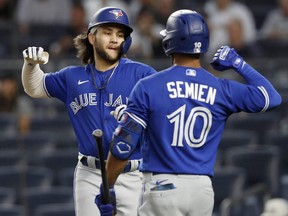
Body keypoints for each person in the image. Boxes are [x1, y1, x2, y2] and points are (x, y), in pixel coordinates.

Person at [95, 10, 282, 216]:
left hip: (162, 187)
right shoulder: (222, 88)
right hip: (202, 191)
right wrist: (239, 64)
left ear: (170, 41)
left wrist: (108, 187)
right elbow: (271, 97)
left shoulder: (149, 86)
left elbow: (124, 145)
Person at [21, 6, 156, 216]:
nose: (114, 39)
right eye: (107, 32)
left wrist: (138, 116)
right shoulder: (72, 76)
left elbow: (163, 113)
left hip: (132, 174)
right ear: (92, 37)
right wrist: (30, 65)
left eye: (120, 35)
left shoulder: (142, 73)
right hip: (90, 173)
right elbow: (35, 87)